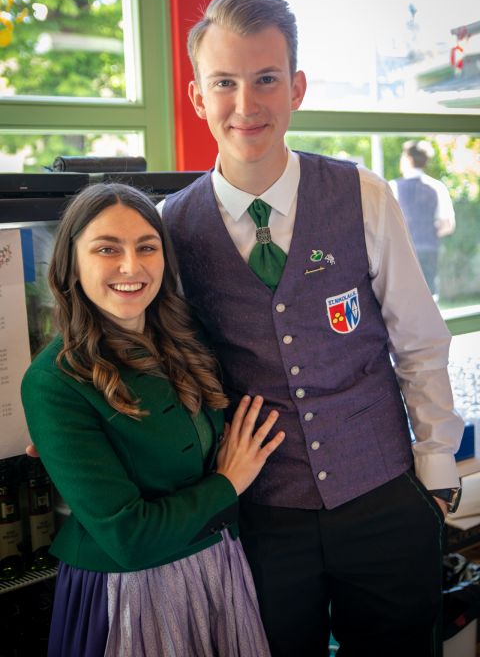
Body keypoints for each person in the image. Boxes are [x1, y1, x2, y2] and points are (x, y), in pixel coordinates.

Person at [159, 0, 464, 657]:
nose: (246, 104)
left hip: (384, 494)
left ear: (296, 88)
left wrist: (437, 467)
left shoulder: (363, 195)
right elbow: (139, 349)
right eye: (225, 83)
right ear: (198, 97)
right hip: (259, 516)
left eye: (266, 79)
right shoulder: (169, 227)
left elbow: (417, 339)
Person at [21, 182, 285, 657]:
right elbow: (129, 538)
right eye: (107, 249)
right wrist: (229, 481)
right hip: (131, 594)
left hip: (219, 566)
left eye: (147, 247)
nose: (131, 266)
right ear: (71, 264)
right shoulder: (53, 381)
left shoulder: (187, 338)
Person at [390, 139, 456, 297]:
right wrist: (428, 231)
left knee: (405, 296)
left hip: (404, 251)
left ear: (408, 159)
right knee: (429, 296)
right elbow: (448, 225)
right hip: (430, 249)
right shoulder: (437, 187)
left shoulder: (393, 187)